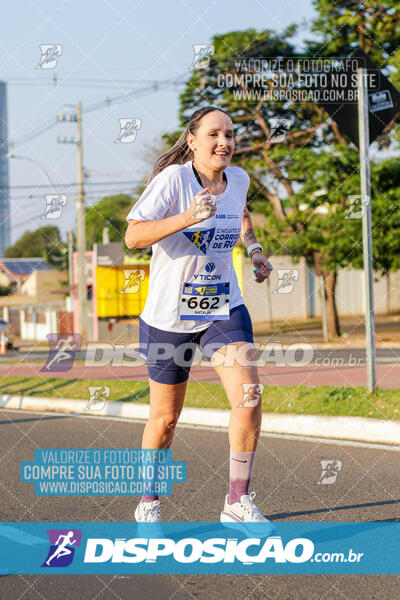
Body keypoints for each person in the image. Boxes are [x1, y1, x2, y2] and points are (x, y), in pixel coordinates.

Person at [125, 106, 274, 528]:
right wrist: (187, 217)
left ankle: (237, 501)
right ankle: (149, 502)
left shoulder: (239, 179)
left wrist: (255, 248)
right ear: (192, 141)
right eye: (214, 134)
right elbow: (133, 235)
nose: (224, 142)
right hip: (169, 316)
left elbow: (240, 214)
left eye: (229, 134)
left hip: (221, 307)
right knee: (165, 419)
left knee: (249, 397)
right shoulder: (172, 181)